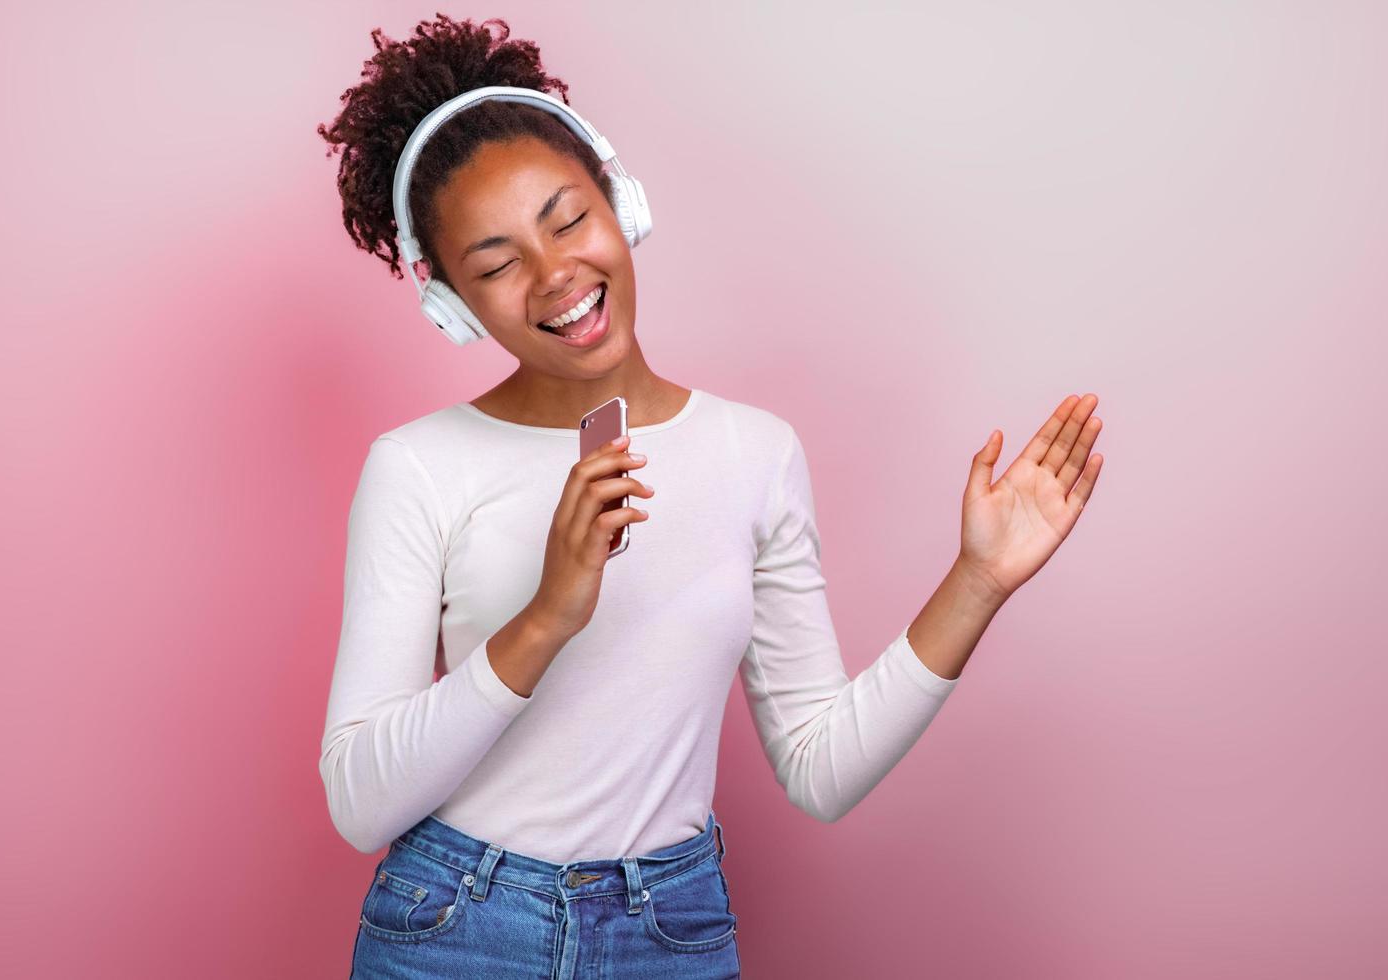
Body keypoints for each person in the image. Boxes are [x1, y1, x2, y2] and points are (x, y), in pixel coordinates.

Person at [315, 14, 1105, 979]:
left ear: (622, 206)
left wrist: (977, 581)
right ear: (452, 306)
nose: (555, 273)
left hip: (669, 931)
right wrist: (548, 616)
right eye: (496, 264)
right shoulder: (420, 466)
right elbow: (360, 803)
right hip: (455, 930)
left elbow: (818, 769)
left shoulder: (753, 453)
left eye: (567, 219)